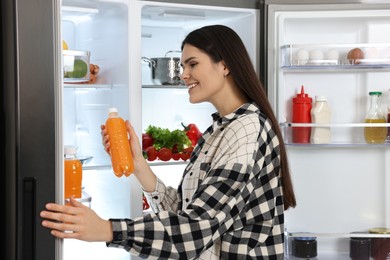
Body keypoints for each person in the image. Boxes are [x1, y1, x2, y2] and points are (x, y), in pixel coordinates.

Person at [40, 24, 296, 259]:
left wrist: (109, 230)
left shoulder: (247, 129)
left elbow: (198, 229)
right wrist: (138, 164)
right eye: (183, 66)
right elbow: (184, 212)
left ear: (225, 65)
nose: (183, 74)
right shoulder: (218, 129)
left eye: (192, 64)